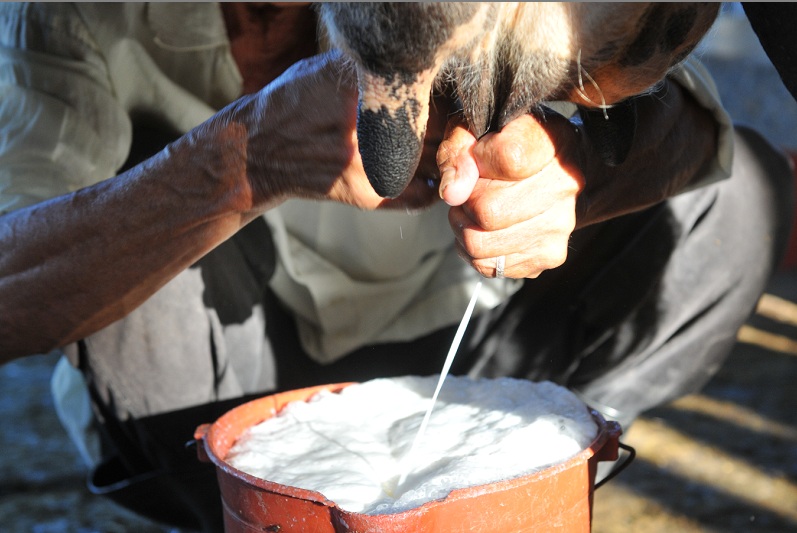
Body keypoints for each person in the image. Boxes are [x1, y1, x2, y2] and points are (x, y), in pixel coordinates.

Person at [0, 3, 792, 531]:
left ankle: (541, 465)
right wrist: (237, 164)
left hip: (479, 359)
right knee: (113, 207)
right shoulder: (69, 15)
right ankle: (252, 504)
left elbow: (687, 118)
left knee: (738, 196)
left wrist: (580, 168)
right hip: (207, 391)